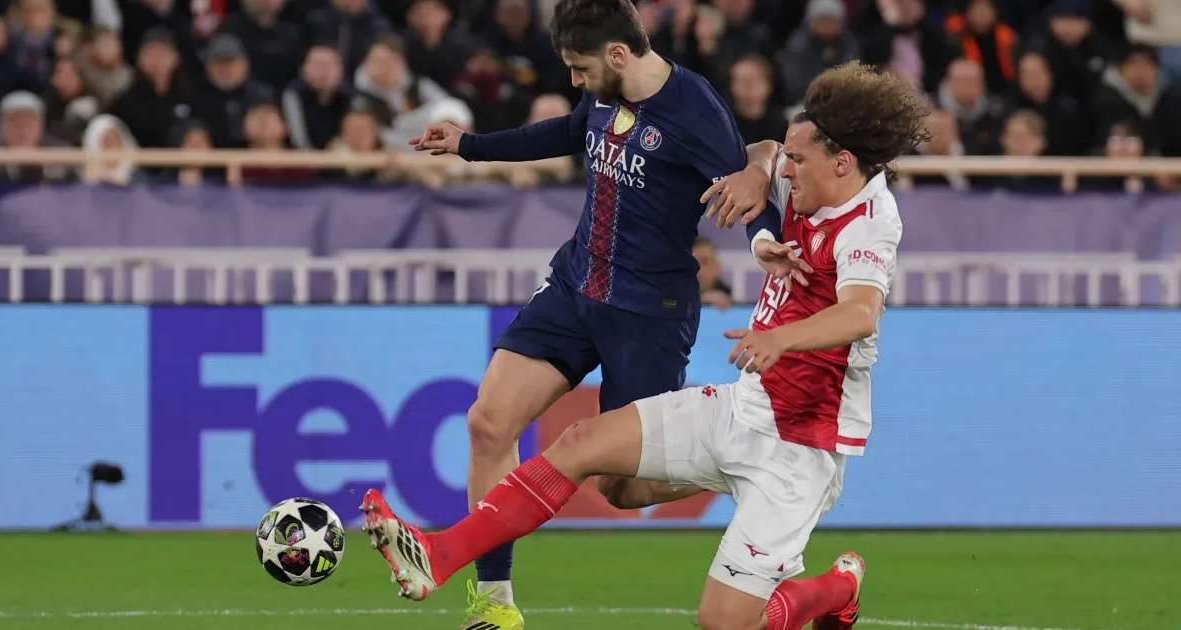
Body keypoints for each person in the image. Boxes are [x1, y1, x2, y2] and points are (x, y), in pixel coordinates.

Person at [363, 60, 931, 630]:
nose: (790, 170)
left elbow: (859, 313)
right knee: (581, 443)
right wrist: (759, 170)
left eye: (798, 162)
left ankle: (837, 589)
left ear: (843, 162)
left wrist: (781, 337)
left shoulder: (871, 221)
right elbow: (764, 150)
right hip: (741, 409)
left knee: (725, 624)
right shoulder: (807, 169)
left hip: (799, 449)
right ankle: (439, 555)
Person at [403, 1, 788, 628]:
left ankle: (747, 461)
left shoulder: (693, 107)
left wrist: (764, 241)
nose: (575, 81)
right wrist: (469, 145)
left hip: (649, 314)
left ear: (618, 54)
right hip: (575, 286)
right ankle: (493, 606)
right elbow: (567, 132)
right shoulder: (604, 95)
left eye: (581, 69)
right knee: (488, 423)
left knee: (620, 487)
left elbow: (745, 186)